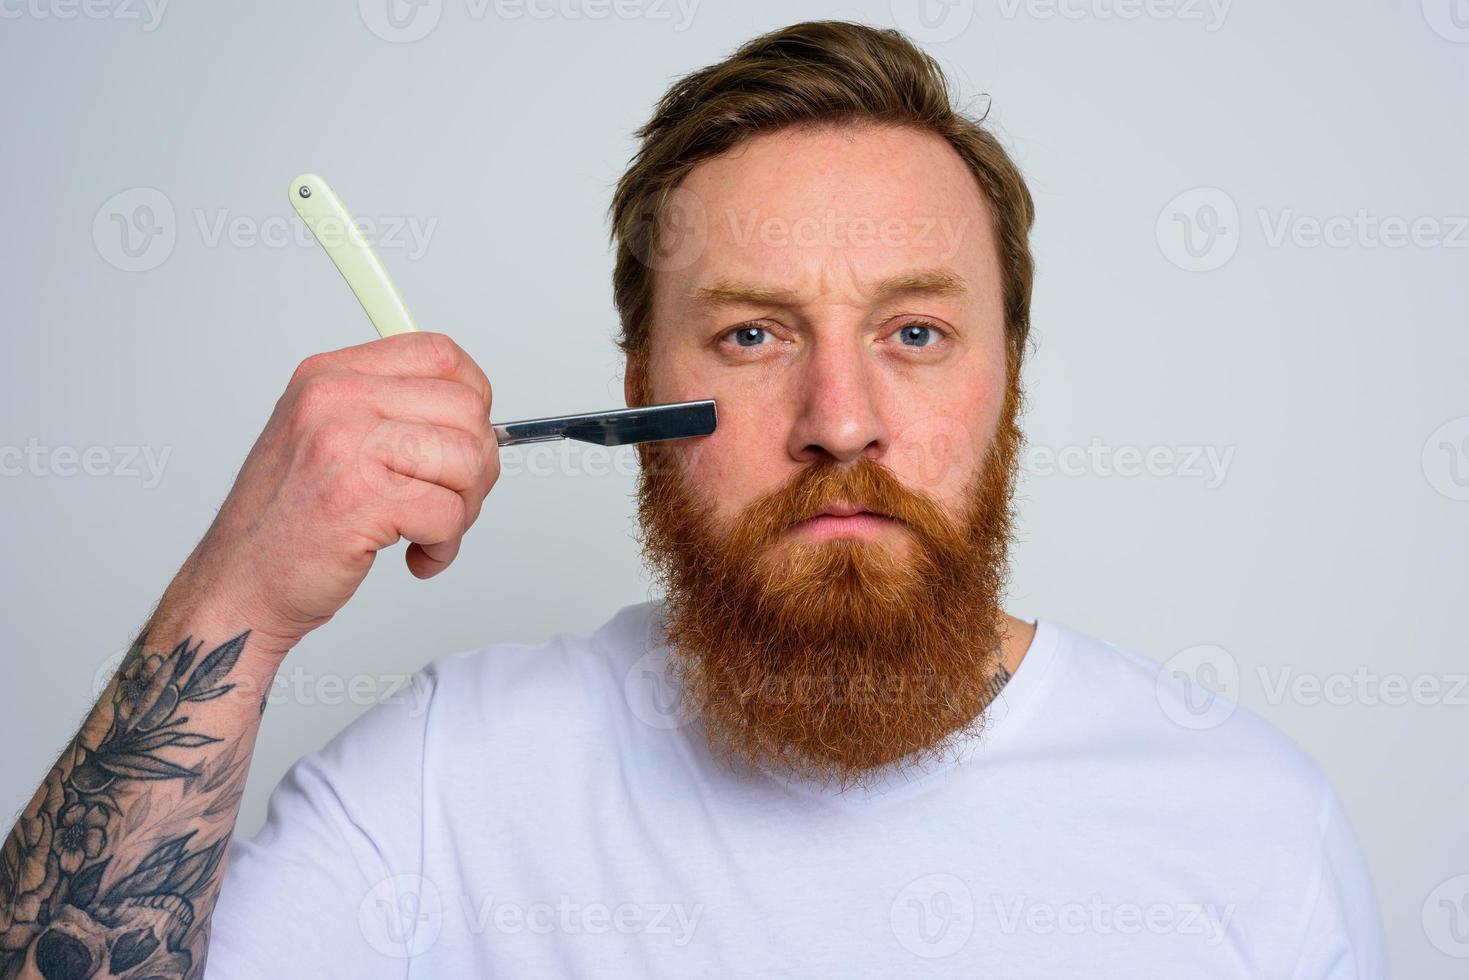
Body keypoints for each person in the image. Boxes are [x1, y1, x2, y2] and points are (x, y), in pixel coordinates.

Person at [0, 21, 1385, 978]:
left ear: (1008, 377)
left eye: (913, 333)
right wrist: (236, 592)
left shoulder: (1246, 828)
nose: (839, 423)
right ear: (637, 395)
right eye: (750, 336)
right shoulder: (451, 785)